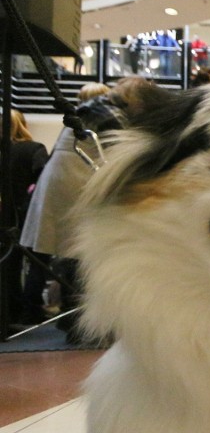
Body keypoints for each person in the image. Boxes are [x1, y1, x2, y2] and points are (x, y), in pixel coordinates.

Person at [20, 79, 146, 343]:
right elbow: (132, 144)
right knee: (78, 252)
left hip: (63, 182)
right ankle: (78, 325)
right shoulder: (107, 110)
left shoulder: (90, 108)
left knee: (60, 252)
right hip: (75, 184)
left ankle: (63, 318)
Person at [2, 109, 48, 326]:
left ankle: (9, 312)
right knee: (39, 261)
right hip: (29, 213)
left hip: (4, 215)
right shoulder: (34, 149)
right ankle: (31, 310)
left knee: (8, 264)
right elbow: (44, 181)